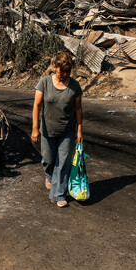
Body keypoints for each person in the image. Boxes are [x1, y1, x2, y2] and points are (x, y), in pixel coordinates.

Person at [32, 51, 83, 208]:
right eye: (62, 71)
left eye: (68, 71)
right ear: (55, 68)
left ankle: (59, 193)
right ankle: (49, 176)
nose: (65, 74)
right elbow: (37, 105)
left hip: (67, 131)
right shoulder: (44, 82)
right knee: (48, 160)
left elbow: (79, 109)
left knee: (63, 163)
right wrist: (35, 128)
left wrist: (79, 130)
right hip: (47, 130)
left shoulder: (74, 86)